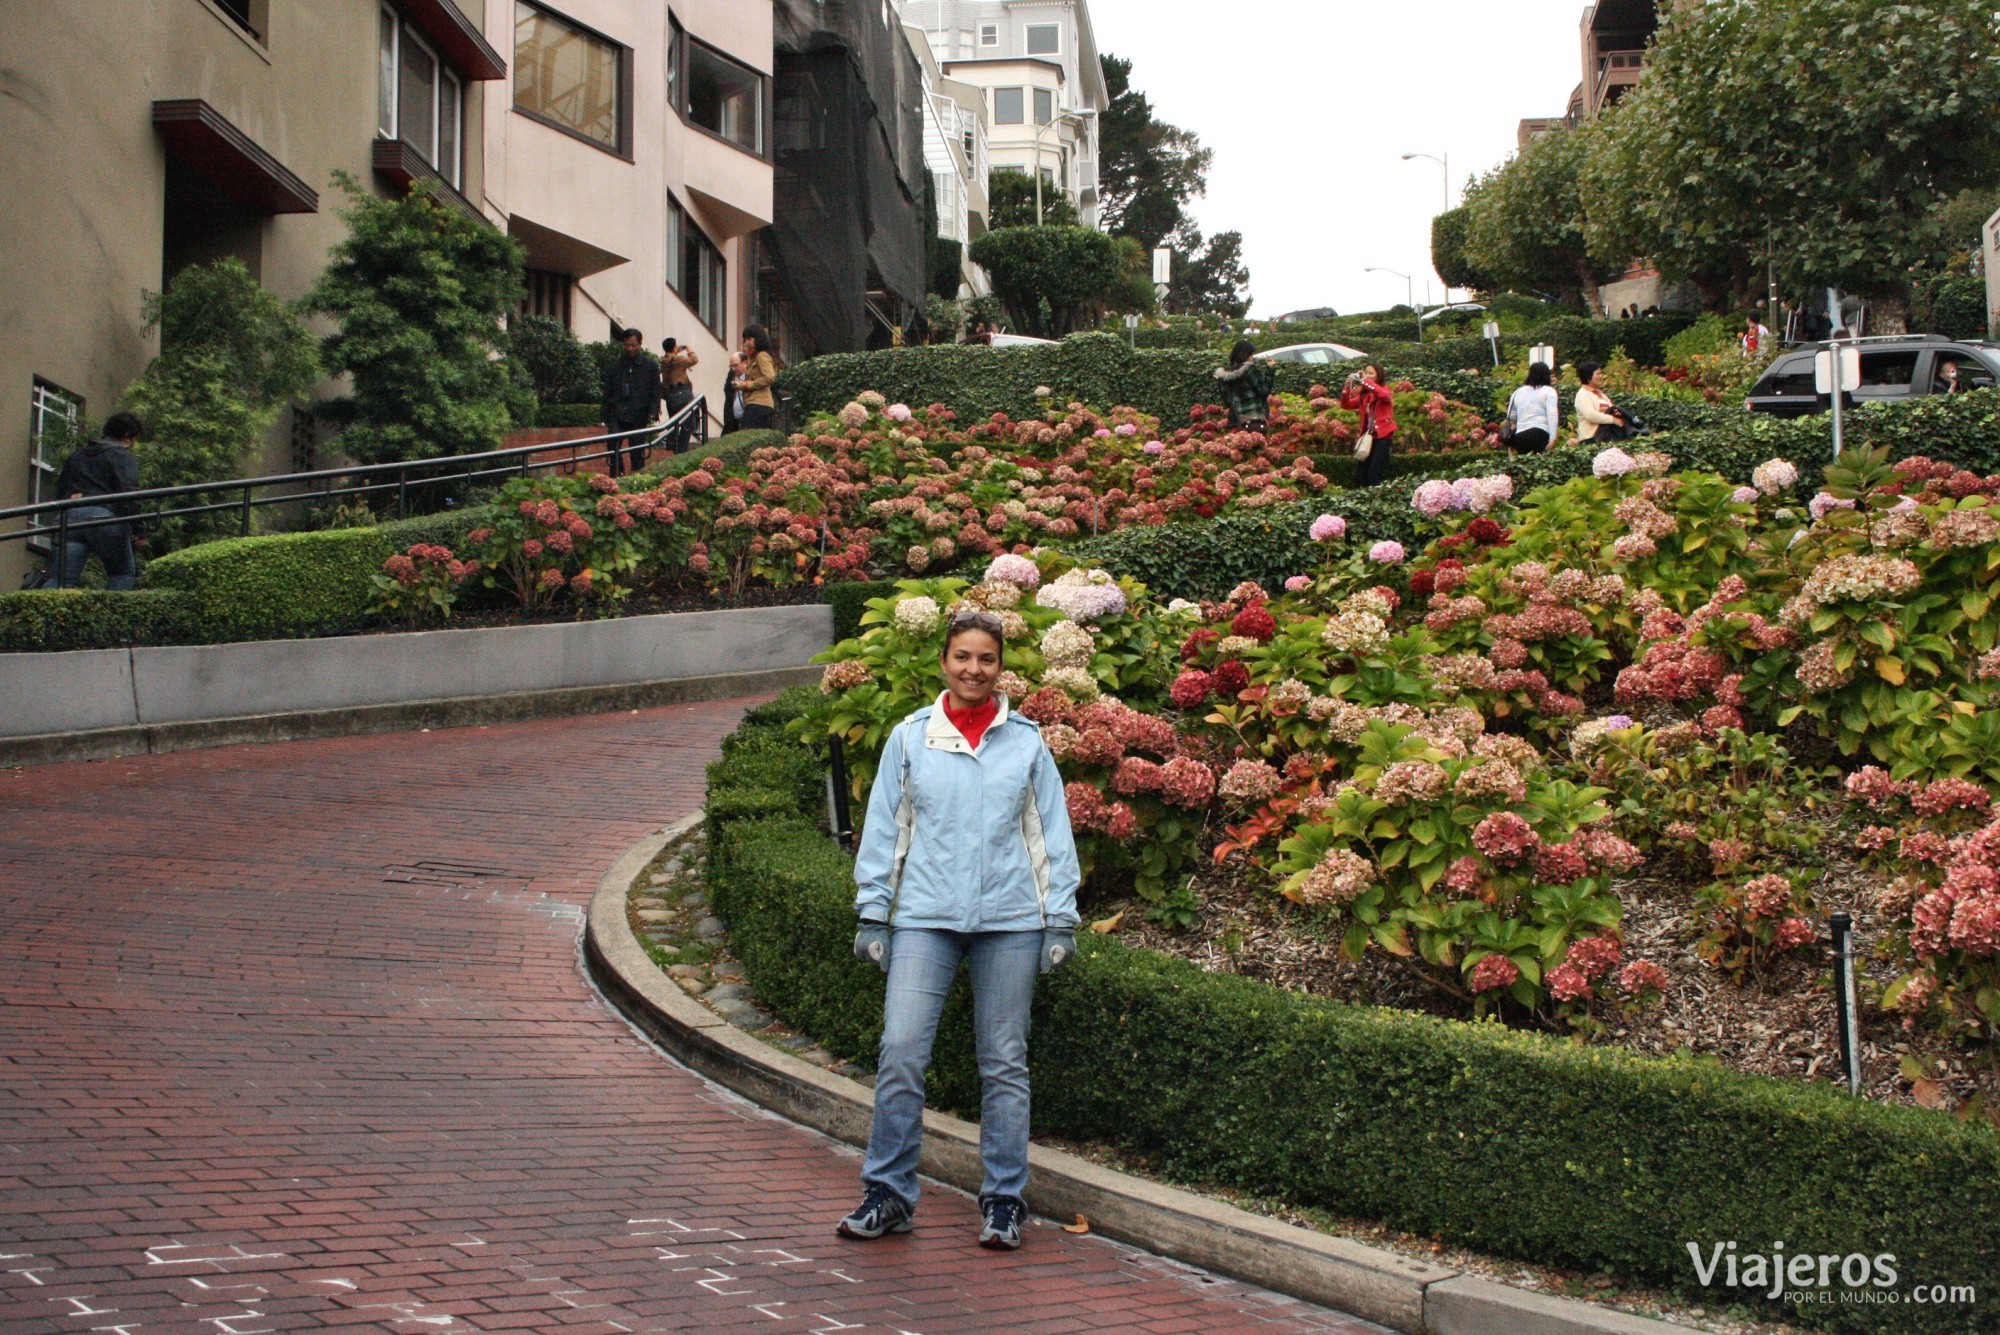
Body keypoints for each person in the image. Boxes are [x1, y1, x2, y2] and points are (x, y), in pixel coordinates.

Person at [838, 608, 1081, 1251]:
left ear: (1002, 667)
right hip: (924, 919)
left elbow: (1050, 835)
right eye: (963, 657)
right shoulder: (910, 738)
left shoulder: (1026, 742)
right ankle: (888, 1193)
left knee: (1004, 1063)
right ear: (944, 662)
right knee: (901, 1051)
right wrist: (873, 909)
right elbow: (886, 828)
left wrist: (1060, 915)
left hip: (1011, 923)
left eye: (987, 659)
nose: (975, 669)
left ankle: (1004, 1201)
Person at [53, 411, 144, 590]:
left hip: (69, 517)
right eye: (135, 439)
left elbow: (60, 491)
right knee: (122, 574)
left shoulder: (77, 455)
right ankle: (108, 616)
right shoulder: (121, 454)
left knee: (60, 580)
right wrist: (139, 530)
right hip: (103, 517)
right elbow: (129, 494)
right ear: (127, 436)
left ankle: (45, 616)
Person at [600, 326, 662, 476]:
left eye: (633, 345)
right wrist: (603, 416)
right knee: (613, 444)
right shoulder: (615, 366)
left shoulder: (650, 366)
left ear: (640, 345)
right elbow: (607, 392)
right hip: (617, 411)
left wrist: (654, 411)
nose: (630, 348)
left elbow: (656, 390)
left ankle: (637, 476)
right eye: (627, 345)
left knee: (637, 448)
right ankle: (616, 474)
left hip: (638, 413)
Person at [1340, 362, 1399, 487]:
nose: (1367, 376)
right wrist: (1347, 387)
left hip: (1382, 438)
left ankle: (1374, 500)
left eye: (1371, 373)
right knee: (1360, 476)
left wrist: (1365, 381)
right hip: (1368, 438)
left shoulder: (1384, 390)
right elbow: (1346, 405)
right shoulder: (1364, 395)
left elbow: (1383, 395)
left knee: (1374, 474)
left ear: (1379, 376)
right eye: (1365, 373)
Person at [1212, 339, 1276, 433]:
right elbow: (1263, 391)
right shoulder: (1248, 371)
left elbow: (1227, 400)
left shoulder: (1224, 375)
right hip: (1254, 420)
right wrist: (1270, 369)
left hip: (1235, 420)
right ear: (1246, 355)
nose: (1252, 358)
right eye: (1252, 355)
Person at [1506, 362, 1560, 455]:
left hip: (1520, 435)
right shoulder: (1549, 391)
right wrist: (1553, 437)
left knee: (1525, 465)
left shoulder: (1517, 392)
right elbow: (1552, 414)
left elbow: (1510, 415)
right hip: (1541, 432)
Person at [659, 336, 699, 454]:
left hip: (670, 395)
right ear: (673, 347)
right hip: (682, 393)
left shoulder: (664, 360)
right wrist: (688, 349)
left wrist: (676, 351)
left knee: (674, 422)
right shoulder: (679, 360)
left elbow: (671, 358)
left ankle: (671, 448)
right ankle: (682, 450)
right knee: (689, 423)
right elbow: (694, 359)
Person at [735, 326, 779, 431]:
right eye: (745, 340)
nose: (747, 342)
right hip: (753, 403)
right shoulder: (753, 358)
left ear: (758, 339)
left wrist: (747, 384)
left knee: (746, 435)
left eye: (750, 339)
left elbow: (769, 377)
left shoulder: (762, 355)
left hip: (759, 403)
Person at [1574, 361, 1629, 444]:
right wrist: (1614, 420)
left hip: (1606, 437)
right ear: (1588, 376)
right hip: (1592, 440)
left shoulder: (1601, 394)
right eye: (1598, 374)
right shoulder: (1582, 394)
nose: (1601, 376)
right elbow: (1591, 415)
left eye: (1601, 373)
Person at [722, 351, 746, 435]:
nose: (733, 368)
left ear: (744, 363)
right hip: (732, 418)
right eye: (731, 366)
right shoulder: (731, 374)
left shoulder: (751, 375)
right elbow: (727, 390)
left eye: (736, 365)